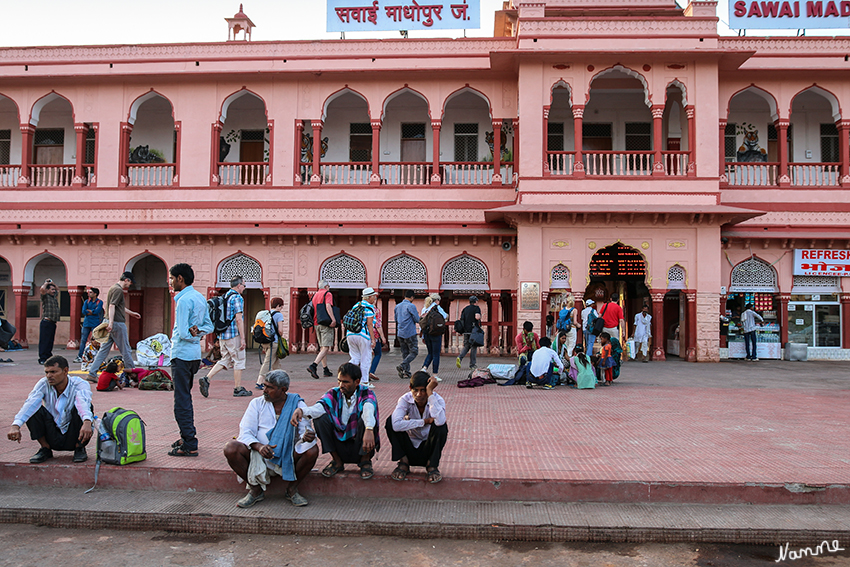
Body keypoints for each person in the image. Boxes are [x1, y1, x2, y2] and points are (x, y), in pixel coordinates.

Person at [223, 370, 319, 508]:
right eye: (264, 386)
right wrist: (259, 447)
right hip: (259, 454)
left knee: (312, 450)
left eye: (270, 387)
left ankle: (292, 489)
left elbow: (305, 430)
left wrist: (306, 436)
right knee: (230, 448)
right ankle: (255, 490)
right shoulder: (256, 403)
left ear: (283, 390)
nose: (265, 390)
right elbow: (245, 432)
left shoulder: (297, 404)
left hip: (288, 455)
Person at [297, 363, 379, 480]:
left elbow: (368, 410)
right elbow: (319, 407)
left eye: (345, 382)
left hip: (360, 444)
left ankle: (365, 462)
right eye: (339, 381)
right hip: (339, 444)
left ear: (357, 382)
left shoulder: (367, 393)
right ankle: (337, 461)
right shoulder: (333, 393)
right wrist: (302, 411)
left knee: (369, 421)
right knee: (320, 418)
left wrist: (369, 429)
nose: (341, 385)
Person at [8, 355, 93, 464]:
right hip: (52, 433)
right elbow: (30, 403)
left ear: (65, 371)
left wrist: (87, 421)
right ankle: (45, 448)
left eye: (53, 372)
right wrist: (16, 425)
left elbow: (83, 403)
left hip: (74, 435)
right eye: (47, 372)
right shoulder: (43, 383)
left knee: (87, 408)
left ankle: (79, 448)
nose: (49, 376)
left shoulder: (80, 384)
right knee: (34, 409)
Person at [167, 263, 214, 457]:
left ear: (180, 278)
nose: (170, 282)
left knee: (181, 400)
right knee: (185, 397)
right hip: (194, 356)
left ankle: (189, 441)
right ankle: (186, 436)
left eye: (171, 278)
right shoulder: (199, 297)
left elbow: (184, 332)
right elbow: (209, 326)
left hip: (182, 355)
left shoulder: (184, 301)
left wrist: (193, 334)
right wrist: (199, 333)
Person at [387, 371, 447, 484]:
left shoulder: (437, 400)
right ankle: (403, 462)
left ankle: (432, 465)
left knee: (442, 427)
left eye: (423, 390)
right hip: (410, 445)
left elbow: (440, 422)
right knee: (389, 421)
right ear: (410, 388)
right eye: (416, 390)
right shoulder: (405, 400)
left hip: (428, 447)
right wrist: (424, 422)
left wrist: (430, 394)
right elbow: (395, 425)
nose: (419, 394)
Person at [199, 276, 251, 398]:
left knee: (226, 359)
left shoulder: (225, 296)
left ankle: (207, 378)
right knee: (239, 360)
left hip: (223, 334)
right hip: (233, 334)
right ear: (239, 285)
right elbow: (239, 319)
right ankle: (238, 388)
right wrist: (243, 338)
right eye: (244, 285)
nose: (244, 288)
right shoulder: (237, 298)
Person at [86, 272, 141, 381]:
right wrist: (111, 323)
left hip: (110, 322)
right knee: (126, 349)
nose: (130, 285)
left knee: (103, 350)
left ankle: (92, 373)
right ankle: (132, 373)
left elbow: (117, 307)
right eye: (130, 282)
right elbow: (112, 306)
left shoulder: (113, 288)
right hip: (116, 323)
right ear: (126, 280)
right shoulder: (118, 290)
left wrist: (131, 313)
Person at [346, 287, 377, 388]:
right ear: (369, 297)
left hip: (350, 334)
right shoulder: (369, 308)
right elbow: (369, 325)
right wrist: (373, 339)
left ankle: (347, 376)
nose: (375, 298)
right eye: (373, 296)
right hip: (363, 335)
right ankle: (364, 382)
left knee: (355, 358)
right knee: (366, 358)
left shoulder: (356, 306)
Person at [307, 280, 337, 380]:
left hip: (316, 323)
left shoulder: (315, 295)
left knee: (322, 347)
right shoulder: (327, 294)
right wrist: (333, 319)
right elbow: (328, 306)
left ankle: (325, 369)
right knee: (326, 347)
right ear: (326, 286)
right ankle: (313, 365)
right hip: (325, 323)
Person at [255, 297, 286, 390]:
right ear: (278, 306)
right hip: (274, 342)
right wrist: (281, 334)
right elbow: (280, 330)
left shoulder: (266, 314)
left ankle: (280, 379)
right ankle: (260, 381)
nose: (281, 308)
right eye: (281, 306)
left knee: (275, 361)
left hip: (265, 341)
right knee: (268, 361)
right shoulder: (278, 315)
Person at [420, 293, 448, 383]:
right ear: (436, 300)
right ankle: (435, 375)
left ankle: (424, 368)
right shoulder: (437, 307)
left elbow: (422, 323)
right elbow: (445, 316)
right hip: (435, 333)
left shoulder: (424, 308)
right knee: (436, 354)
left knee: (430, 352)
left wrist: (423, 336)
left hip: (426, 333)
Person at [394, 289, 420, 380]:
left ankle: (406, 372)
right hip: (410, 332)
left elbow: (396, 319)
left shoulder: (397, 306)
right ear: (412, 297)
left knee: (405, 352)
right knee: (414, 351)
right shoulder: (411, 306)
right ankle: (402, 366)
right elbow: (417, 319)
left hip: (400, 332)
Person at [74, 287, 103, 363]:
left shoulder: (99, 302)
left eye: (91, 292)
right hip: (86, 323)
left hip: (95, 323)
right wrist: (91, 311)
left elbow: (97, 311)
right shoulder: (86, 301)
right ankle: (80, 356)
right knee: (83, 340)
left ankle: (96, 356)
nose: (89, 294)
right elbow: (83, 311)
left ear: (95, 294)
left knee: (95, 341)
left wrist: (91, 311)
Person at [456, 295, 482, 370]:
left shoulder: (465, 309)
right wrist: (480, 317)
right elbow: (477, 317)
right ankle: (472, 365)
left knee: (467, 346)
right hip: (473, 331)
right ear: (476, 301)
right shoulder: (476, 308)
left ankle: (459, 357)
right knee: (473, 347)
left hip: (466, 331)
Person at [38, 279, 60, 365]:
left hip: (53, 322)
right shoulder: (45, 297)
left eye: (54, 290)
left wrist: (53, 283)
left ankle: (48, 356)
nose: (54, 291)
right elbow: (42, 290)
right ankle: (42, 358)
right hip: (46, 322)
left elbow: (58, 290)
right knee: (44, 341)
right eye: (52, 289)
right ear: (47, 290)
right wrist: (46, 283)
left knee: (50, 341)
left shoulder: (54, 298)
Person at [369, 303, 386, 383]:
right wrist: (382, 337)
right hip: (374, 335)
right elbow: (378, 325)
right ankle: (371, 371)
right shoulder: (376, 310)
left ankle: (361, 372)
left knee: (364, 354)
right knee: (378, 353)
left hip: (363, 334)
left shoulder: (361, 308)